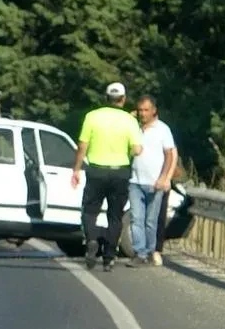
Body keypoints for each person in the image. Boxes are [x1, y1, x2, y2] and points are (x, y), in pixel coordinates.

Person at [71, 82, 143, 271]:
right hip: (120, 171)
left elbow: (82, 145)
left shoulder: (92, 116)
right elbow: (137, 149)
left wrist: (76, 169)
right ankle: (109, 257)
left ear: (105, 98)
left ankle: (92, 239)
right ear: (123, 99)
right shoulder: (130, 120)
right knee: (115, 215)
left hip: (96, 170)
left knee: (89, 211)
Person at [128, 95, 177, 267]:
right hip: (135, 181)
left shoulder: (163, 129)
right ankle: (139, 253)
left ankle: (150, 251)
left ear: (154, 110)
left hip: (155, 182)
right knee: (136, 219)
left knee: (151, 221)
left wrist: (164, 178)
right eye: (140, 110)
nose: (143, 113)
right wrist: (131, 118)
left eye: (146, 110)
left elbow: (169, 155)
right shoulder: (135, 128)